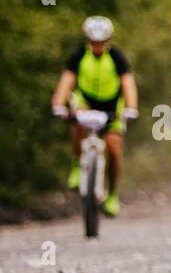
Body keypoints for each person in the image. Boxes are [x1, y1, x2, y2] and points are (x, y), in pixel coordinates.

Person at [51, 16, 139, 218]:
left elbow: (128, 83)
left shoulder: (116, 57)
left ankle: (113, 194)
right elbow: (66, 82)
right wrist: (59, 104)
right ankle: (76, 164)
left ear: (108, 41)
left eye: (101, 42)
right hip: (86, 100)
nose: (97, 46)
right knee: (77, 118)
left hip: (111, 106)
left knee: (114, 148)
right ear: (87, 40)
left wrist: (131, 107)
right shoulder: (79, 56)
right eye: (93, 42)